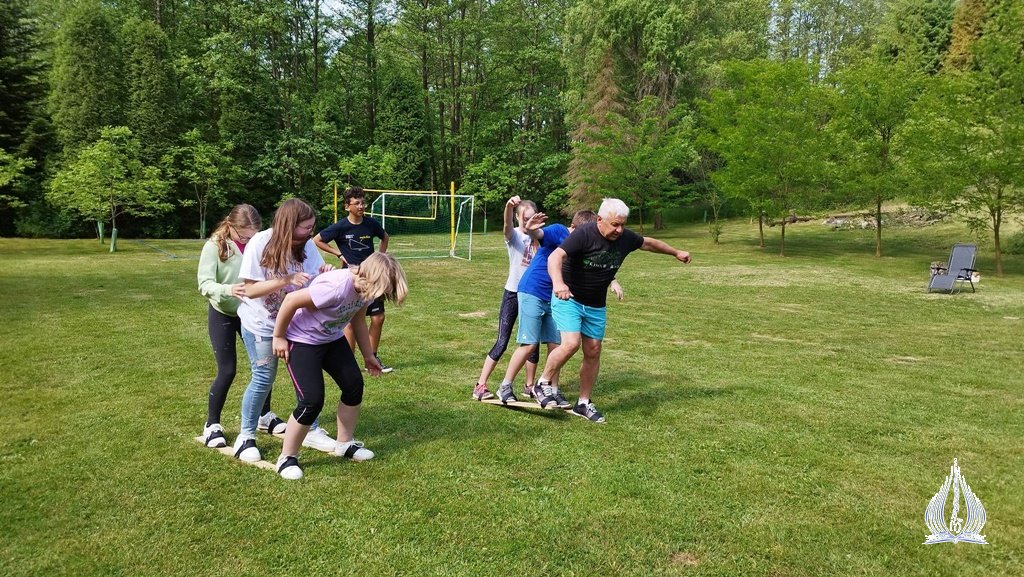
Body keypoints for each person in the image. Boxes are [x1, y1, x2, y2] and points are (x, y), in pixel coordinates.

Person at [540, 198, 691, 423]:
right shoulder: (583, 234)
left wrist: (676, 252)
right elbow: (555, 256)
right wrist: (558, 283)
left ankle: (583, 403)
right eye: (614, 225)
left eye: (622, 224)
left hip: (595, 304)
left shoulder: (625, 237)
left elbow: (649, 243)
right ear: (599, 220)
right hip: (569, 298)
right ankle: (543, 383)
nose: (619, 230)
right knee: (571, 344)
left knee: (593, 350)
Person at [271, 252, 408, 480]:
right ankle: (287, 457)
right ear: (367, 277)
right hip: (302, 340)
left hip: (331, 339)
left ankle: (344, 443)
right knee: (311, 400)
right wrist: (278, 336)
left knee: (353, 385)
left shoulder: (366, 290)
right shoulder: (335, 287)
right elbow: (291, 300)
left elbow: (357, 320)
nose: (381, 297)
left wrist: (368, 355)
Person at [232, 198, 337, 462]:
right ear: (289, 225)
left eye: (312, 227)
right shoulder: (260, 243)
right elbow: (250, 290)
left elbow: (313, 280)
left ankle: (309, 429)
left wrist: (324, 273)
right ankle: (245, 436)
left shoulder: (307, 245)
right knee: (263, 377)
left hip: (296, 324)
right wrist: (286, 280)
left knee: (303, 379)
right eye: (305, 227)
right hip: (262, 324)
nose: (310, 233)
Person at [492, 209, 621, 407]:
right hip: (533, 290)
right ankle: (505, 386)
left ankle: (552, 389)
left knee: (556, 346)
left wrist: (612, 280)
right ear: (574, 227)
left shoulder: (585, 242)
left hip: (557, 296)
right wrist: (531, 229)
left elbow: (594, 264)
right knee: (529, 344)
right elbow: (539, 234)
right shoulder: (560, 231)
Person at [197, 204, 271, 448]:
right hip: (224, 313)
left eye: (252, 237)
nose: (248, 241)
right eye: (244, 237)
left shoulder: (259, 243)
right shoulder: (214, 246)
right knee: (227, 370)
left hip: (251, 313)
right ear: (231, 226)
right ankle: (212, 425)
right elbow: (204, 283)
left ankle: (264, 416)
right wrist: (229, 289)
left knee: (263, 366)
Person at [313, 187, 393, 372]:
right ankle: (349, 363)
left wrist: (379, 259)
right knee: (350, 322)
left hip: (371, 278)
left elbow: (385, 237)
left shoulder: (371, 223)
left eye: (363, 203)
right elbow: (317, 240)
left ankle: (372, 358)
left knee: (378, 318)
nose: (361, 206)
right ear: (347, 206)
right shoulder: (341, 226)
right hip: (350, 279)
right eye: (357, 203)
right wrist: (339, 254)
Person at [472, 195, 540, 401]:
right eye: (524, 218)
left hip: (532, 295)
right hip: (512, 293)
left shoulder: (541, 237)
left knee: (532, 342)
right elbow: (506, 226)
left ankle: (529, 386)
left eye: (531, 218)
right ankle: (480, 385)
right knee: (502, 341)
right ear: (518, 217)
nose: (527, 222)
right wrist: (509, 206)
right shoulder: (515, 236)